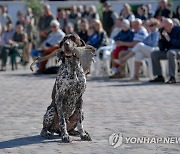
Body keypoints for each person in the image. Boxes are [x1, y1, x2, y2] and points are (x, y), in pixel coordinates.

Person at [150, 18, 180, 84]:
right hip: (169, 51)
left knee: (171, 53)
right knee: (154, 54)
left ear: (171, 25)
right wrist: (161, 40)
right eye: (163, 26)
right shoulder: (163, 31)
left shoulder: (178, 30)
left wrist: (170, 39)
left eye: (165, 26)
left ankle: (172, 77)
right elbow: (162, 48)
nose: (164, 28)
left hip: (177, 50)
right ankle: (159, 76)